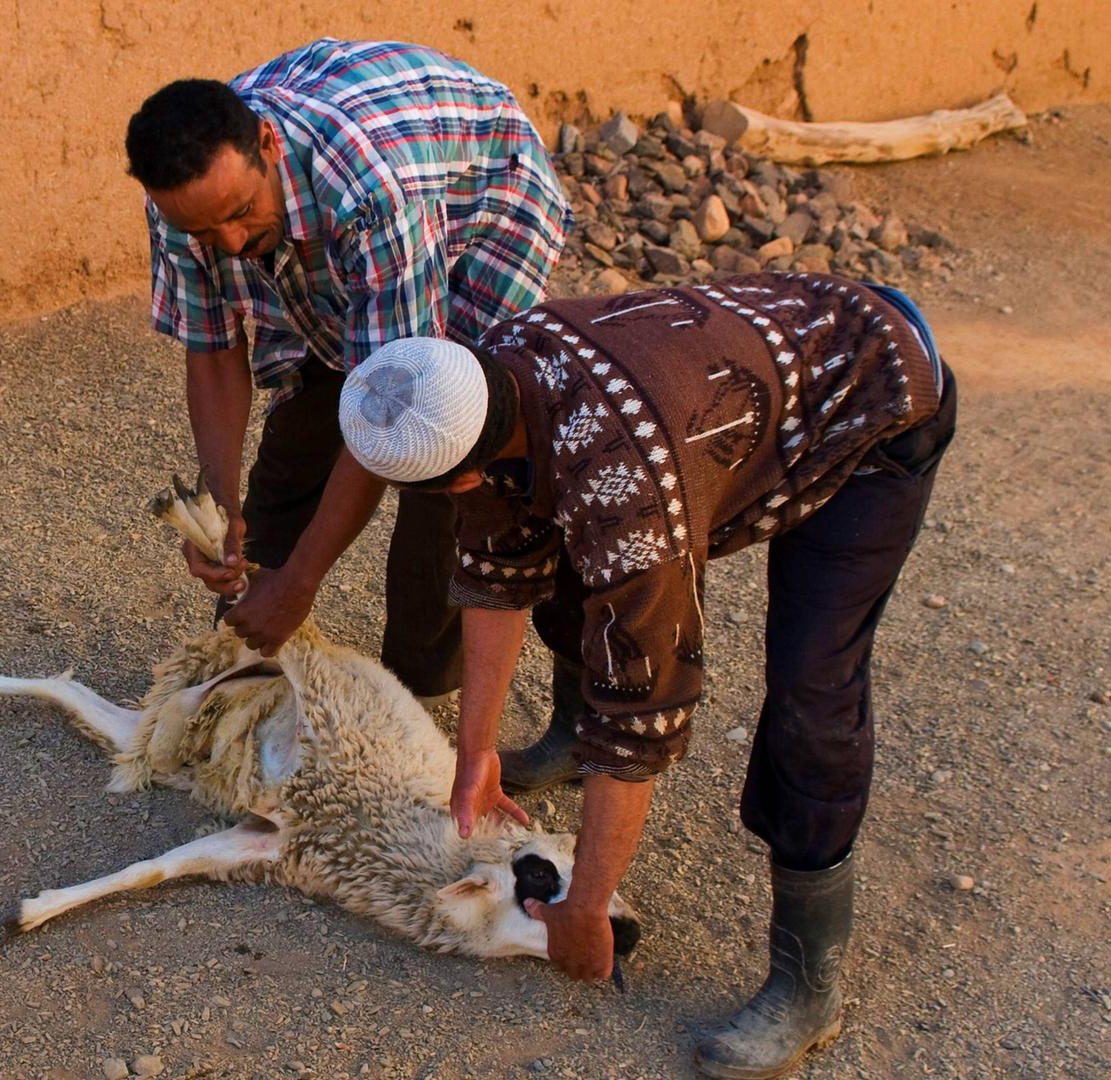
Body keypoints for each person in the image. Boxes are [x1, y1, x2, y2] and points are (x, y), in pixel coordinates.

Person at [336, 273, 957, 1078]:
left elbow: (641, 710)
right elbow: (497, 566)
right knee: (561, 570)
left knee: (814, 689)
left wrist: (585, 909)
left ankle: (809, 987)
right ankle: (564, 739)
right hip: (763, 358)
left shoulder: (627, 490)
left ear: (455, 472)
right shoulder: (472, 386)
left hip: (869, 398)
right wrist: (476, 751)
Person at [124, 38, 571, 698]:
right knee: (305, 426)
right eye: (204, 234)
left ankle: (419, 683)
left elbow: (394, 401)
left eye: (242, 212)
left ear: (270, 147)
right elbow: (216, 351)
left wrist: (300, 583)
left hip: (487, 204)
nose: (232, 244)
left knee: (441, 455)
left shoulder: (372, 192)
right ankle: (248, 646)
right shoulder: (186, 209)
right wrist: (217, 508)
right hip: (350, 220)